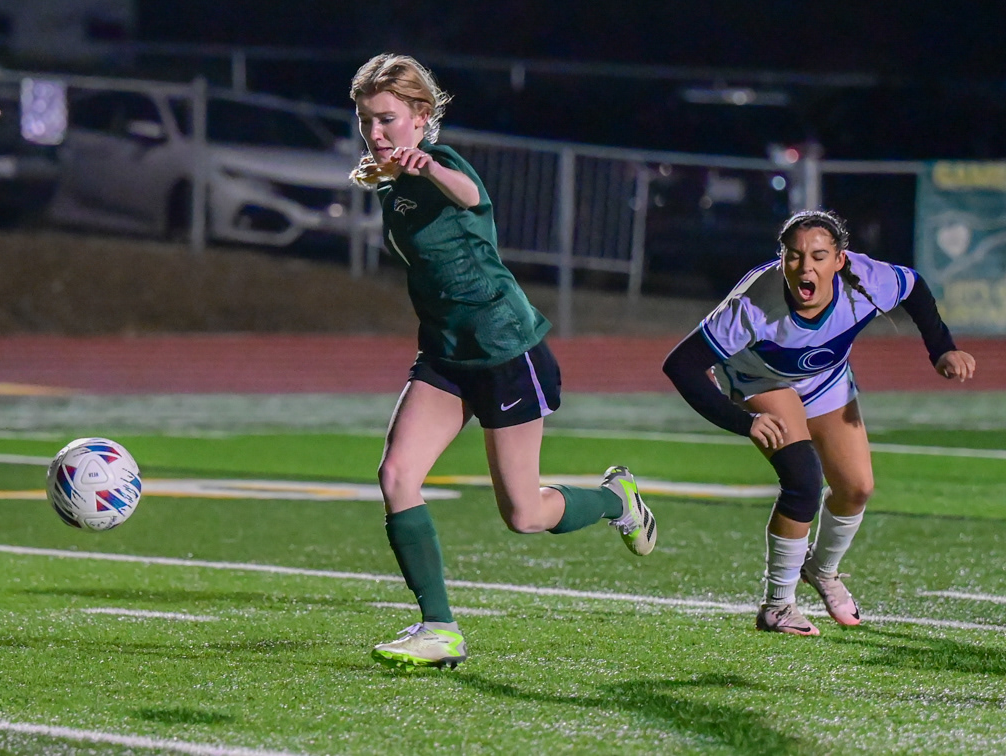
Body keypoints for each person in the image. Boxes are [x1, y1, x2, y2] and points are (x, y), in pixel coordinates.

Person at [348, 53, 657, 669]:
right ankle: (440, 627)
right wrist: (392, 170)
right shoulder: (391, 182)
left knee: (523, 514)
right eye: (366, 122)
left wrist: (428, 164)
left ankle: (616, 499)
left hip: (505, 352)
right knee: (395, 476)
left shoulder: (443, 165)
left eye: (386, 120)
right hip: (444, 354)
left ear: (421, 116)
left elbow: (469, 195)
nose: (375, 133)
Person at [663, 209, 976, 635]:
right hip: (760, 380)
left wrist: (942, 349)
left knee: (857, 488)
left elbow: (915, 288)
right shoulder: (753, 306)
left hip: (825, 380)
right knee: (804, 481)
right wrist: (743, 421)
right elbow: (680, 365)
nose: (805, 267)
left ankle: (821, 569)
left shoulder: (867, 280)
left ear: (839, 260)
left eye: (819, 255)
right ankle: (777, 606)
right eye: (793, 256)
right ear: (781, 259)